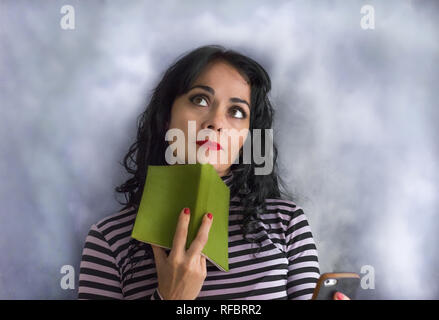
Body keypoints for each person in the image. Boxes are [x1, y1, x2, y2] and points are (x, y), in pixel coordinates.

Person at [77, 44, 346, 300]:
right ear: (167, 116)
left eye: (237, 111)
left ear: (248, 139)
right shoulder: (109, 240)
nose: (216, 122)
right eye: (200, 99)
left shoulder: (287, 224)